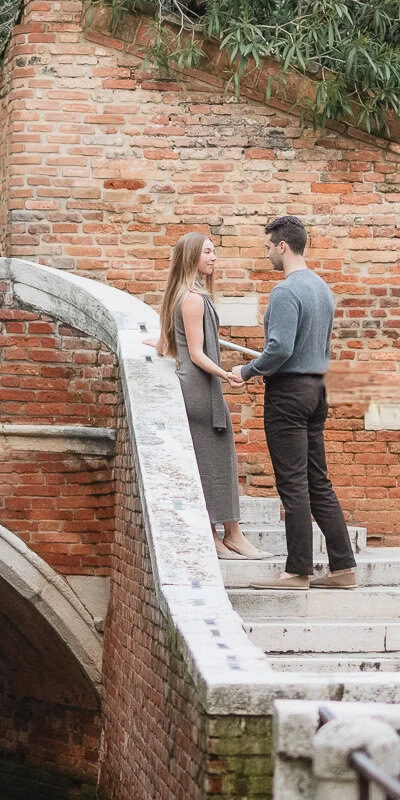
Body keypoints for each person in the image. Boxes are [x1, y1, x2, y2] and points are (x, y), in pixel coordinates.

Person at [228, 215, 357, 589]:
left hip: (288, 394)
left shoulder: (286, 291)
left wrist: (248, 370)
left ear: (283, 246)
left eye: (268, 247)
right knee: (319, 481)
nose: (267, 254)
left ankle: (297, 570)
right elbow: (324, 347)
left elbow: (280, 347)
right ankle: (343, 568)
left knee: (293, 484)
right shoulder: (323, 289)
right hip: (318, 390)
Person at [158, 232, 262, 559]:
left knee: (213, 459)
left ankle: (226, 534)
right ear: (192, 257)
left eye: (214, 251)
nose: (214, 257)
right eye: (208, 252)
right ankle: (225, 535)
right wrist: (227, 374)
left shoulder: (186, 295)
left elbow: (166, 343)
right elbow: (197, 353)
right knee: (214, 458)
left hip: (202, 386)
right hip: (200, 388)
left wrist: (156, 345)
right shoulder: (192, 298)